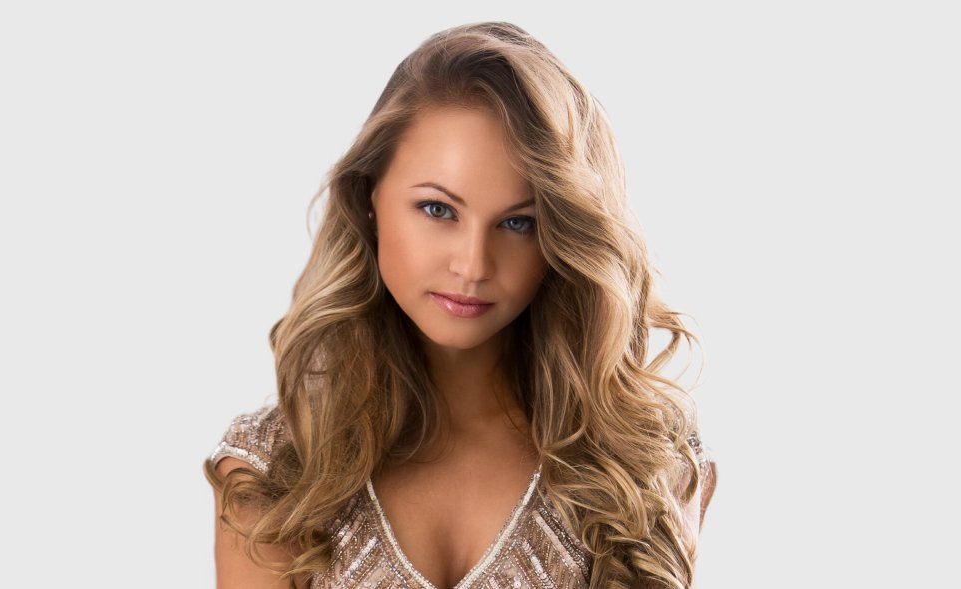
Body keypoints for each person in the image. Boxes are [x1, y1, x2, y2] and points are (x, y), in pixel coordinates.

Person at [203, 22, 716, 589]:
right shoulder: (275, 471)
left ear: (562, 239)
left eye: (518, 223)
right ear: (370, 198)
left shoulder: (642, 469)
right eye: (438, 210)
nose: (473, 265)